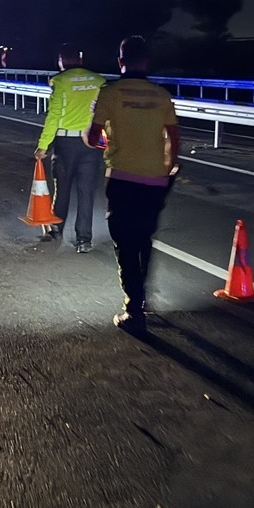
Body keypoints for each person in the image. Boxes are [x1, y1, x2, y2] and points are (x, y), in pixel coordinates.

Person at [84, 35, 180, 333]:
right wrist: (168, 169)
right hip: (155, 180)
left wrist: (103, 139)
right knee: (143, 239)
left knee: (124, 243)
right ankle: (142, 299)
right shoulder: (161, 95)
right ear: (146, 61)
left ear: (120, 62)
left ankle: (133, 309)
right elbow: (174, 141)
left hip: (123, 177)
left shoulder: (109, 93)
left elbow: (91, 137)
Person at [34, 43, 106, 252]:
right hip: (92, 142)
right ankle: (84, 240)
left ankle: (56, 230)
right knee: (86, 192)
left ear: (61, 61)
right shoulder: (98, 80)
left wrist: (43, 145)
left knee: (62, 189)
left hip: (66, 143)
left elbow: (54, 116)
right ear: (81, 59)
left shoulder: (60, 81)